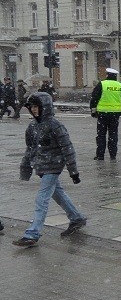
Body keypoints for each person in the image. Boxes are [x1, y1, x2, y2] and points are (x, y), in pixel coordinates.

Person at [12, 92, 85, 247]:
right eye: (31, 107)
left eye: (37, 106)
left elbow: (68, 149)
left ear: (45, 107)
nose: (34, 110)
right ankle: (76, 218)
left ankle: (32, 233)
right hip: (41, 167)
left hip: (53, 167)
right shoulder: (32, 126)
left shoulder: (55, 125)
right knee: (58, 194)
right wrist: (25, 168)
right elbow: (30, 149)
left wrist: (73, 171)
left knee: (41, 199)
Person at [89, 68, 121, 160]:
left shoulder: (102, 84)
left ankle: (100, 155)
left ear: (107, 75)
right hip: (115, 114)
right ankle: (113, 154)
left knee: (101, 135)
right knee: (113, 134)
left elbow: (94, 98)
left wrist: (93, 111)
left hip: (102, 113)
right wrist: (120, 109)